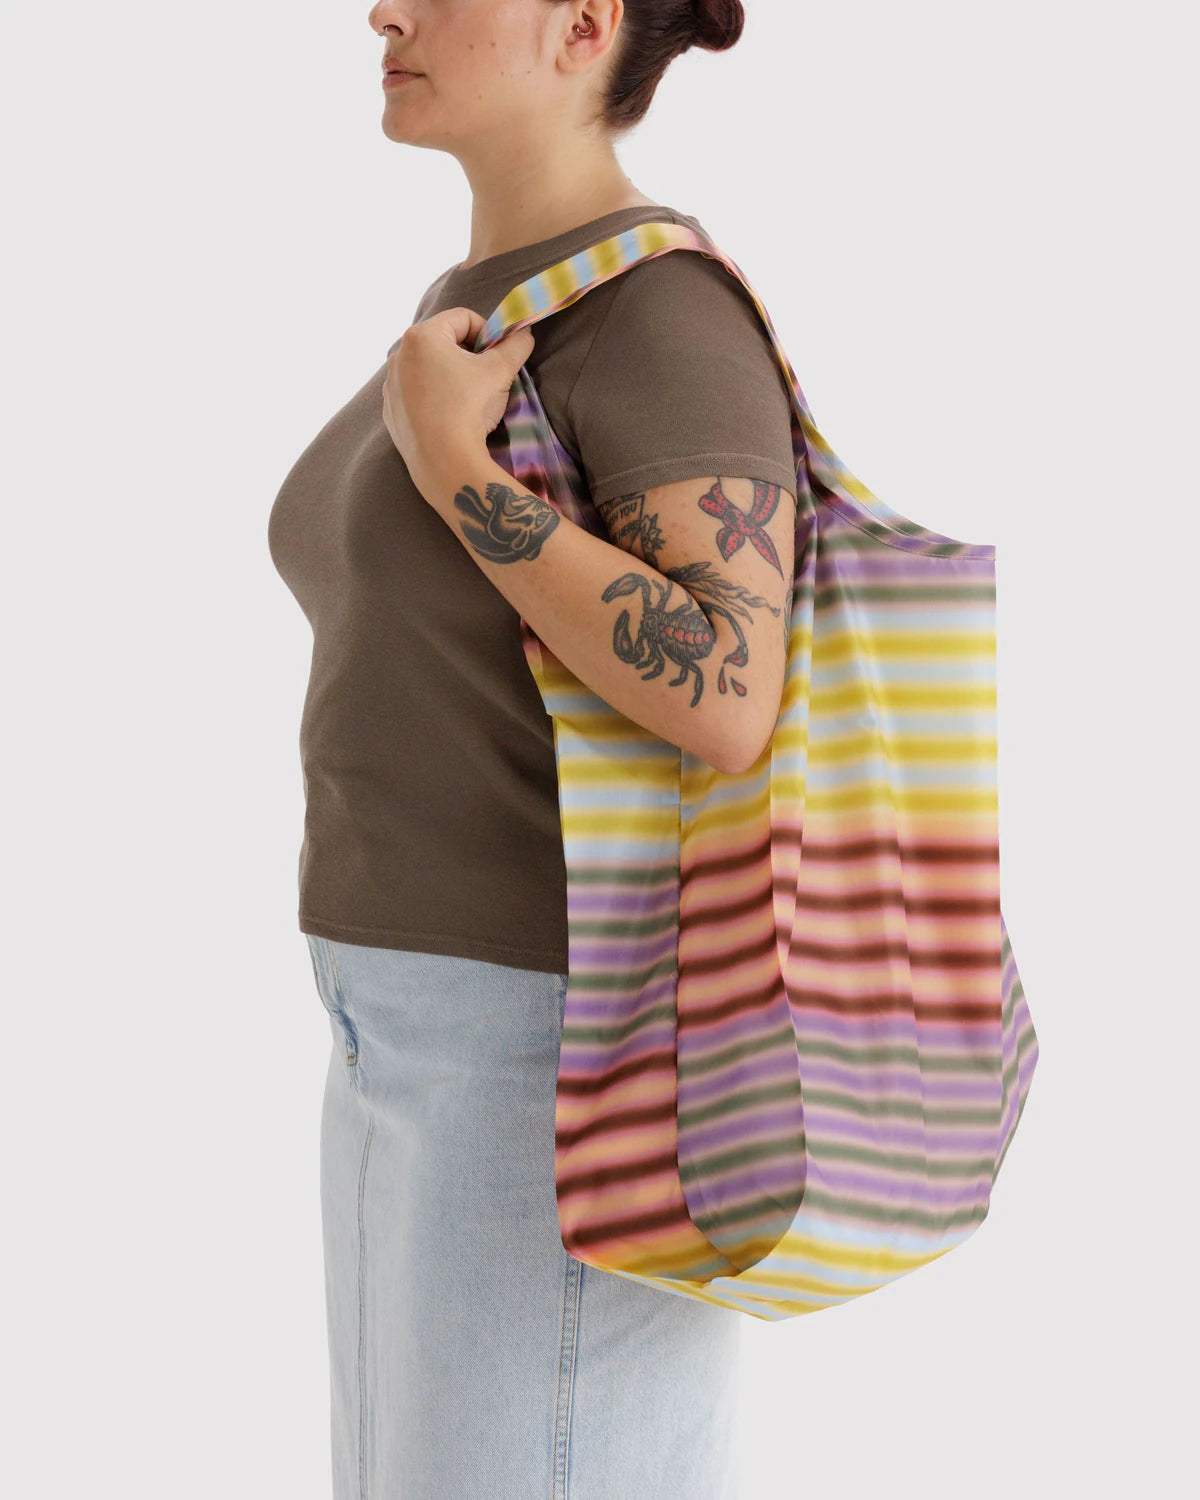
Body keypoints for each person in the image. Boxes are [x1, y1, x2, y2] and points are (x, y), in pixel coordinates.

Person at [267, 2, 797, 1495]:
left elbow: (728, 688)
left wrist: (450, 469)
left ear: (584, 23)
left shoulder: (658, 313)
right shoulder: (495, 303)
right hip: (416, 1027)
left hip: (553, 1054)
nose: (386, 8)